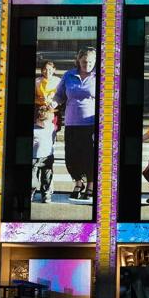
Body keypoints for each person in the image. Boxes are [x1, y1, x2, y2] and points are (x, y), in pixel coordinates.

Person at [54, 47, 98, 204]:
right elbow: (59, 95)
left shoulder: (99, 76)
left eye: (91, 62)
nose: (87, 65)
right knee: (71, 157)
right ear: (78, 60)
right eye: (84, 61)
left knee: (89, 156)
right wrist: (52, 104)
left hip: (91, 123)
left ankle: (91, 185)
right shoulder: (68, 75)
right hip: (71, 123)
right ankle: (78, 183)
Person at [32, 105, 57, 203]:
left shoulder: (52, 127)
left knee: (47, 177)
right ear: (38, 120)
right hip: (35, 156)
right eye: (45, 121)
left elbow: (53, 139)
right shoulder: (34, 129)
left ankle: (46, 194)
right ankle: (32, 191)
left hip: (47, 156)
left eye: (50, 120)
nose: (47, 123)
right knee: (33, 178)